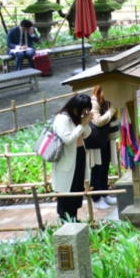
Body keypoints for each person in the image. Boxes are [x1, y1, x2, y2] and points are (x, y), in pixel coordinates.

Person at [51, 94, 92, 222]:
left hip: (79, 156)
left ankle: (73, 217)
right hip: (67, 160)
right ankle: (65, 218)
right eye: (83, 110)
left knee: (77, 188)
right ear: (75, 107)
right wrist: (81, 125)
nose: (84, 113)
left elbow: (87, 134)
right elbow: (68, 139)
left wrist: (84, 123)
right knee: (66, 191)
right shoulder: (62, 118)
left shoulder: (75, 117)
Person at [86, 86, 118, 210]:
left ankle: (104, 194)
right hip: (96, 141)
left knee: (105, 166)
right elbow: (97, 121)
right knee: (97, 168)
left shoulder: (107, 101)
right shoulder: (94, 101)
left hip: (105, 139)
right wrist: (112, 110)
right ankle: (97, 198)